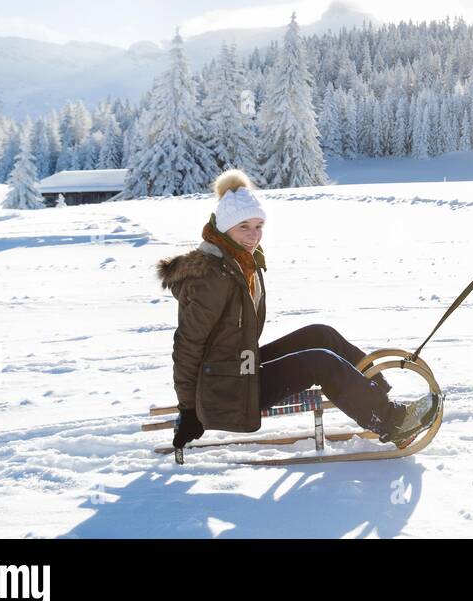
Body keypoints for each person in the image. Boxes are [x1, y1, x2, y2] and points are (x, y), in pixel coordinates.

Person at [158, 169, 439, 452]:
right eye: (244, 226)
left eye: (258, 226)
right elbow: (187, 346)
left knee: (321, 335)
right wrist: (189, 410)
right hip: (226, 390)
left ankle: (376, 395)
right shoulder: (211, 277)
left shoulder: (239, 261)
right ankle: (392, 421)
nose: (253, 236)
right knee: (320, 362)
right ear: (224, 229)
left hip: (241, 366)